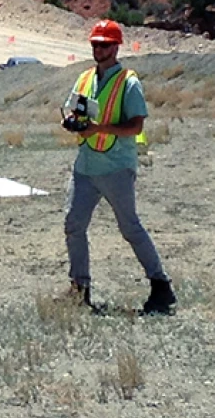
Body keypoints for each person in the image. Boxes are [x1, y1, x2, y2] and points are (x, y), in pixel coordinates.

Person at [61, 19, 176, 315]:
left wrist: (100, 128)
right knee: (73, 224)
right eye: (95, 44)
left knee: (129, 228)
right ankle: (79, 289)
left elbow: (136, 125)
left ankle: (160, 285)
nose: (99, 49)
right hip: (86, 165)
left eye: (104, 44)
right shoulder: (85, 78)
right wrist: (71, 122)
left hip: (116, 168)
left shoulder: (129, 82)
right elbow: (72, 108)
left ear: (116, 47)